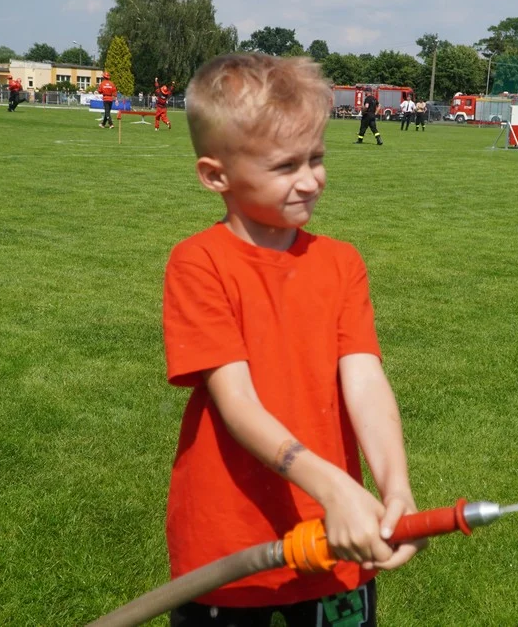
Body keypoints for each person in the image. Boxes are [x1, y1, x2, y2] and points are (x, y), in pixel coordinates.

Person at [165, 52, 421, 626]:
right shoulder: (199, 263)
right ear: (215, 175)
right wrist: (332, 486)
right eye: (285, 166)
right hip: (228, 543)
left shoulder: (340, 263)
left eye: (317, 158)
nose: (311, 180)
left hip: (340, 535)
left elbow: (364, 378)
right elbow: (236, 402)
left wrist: (395, 487)